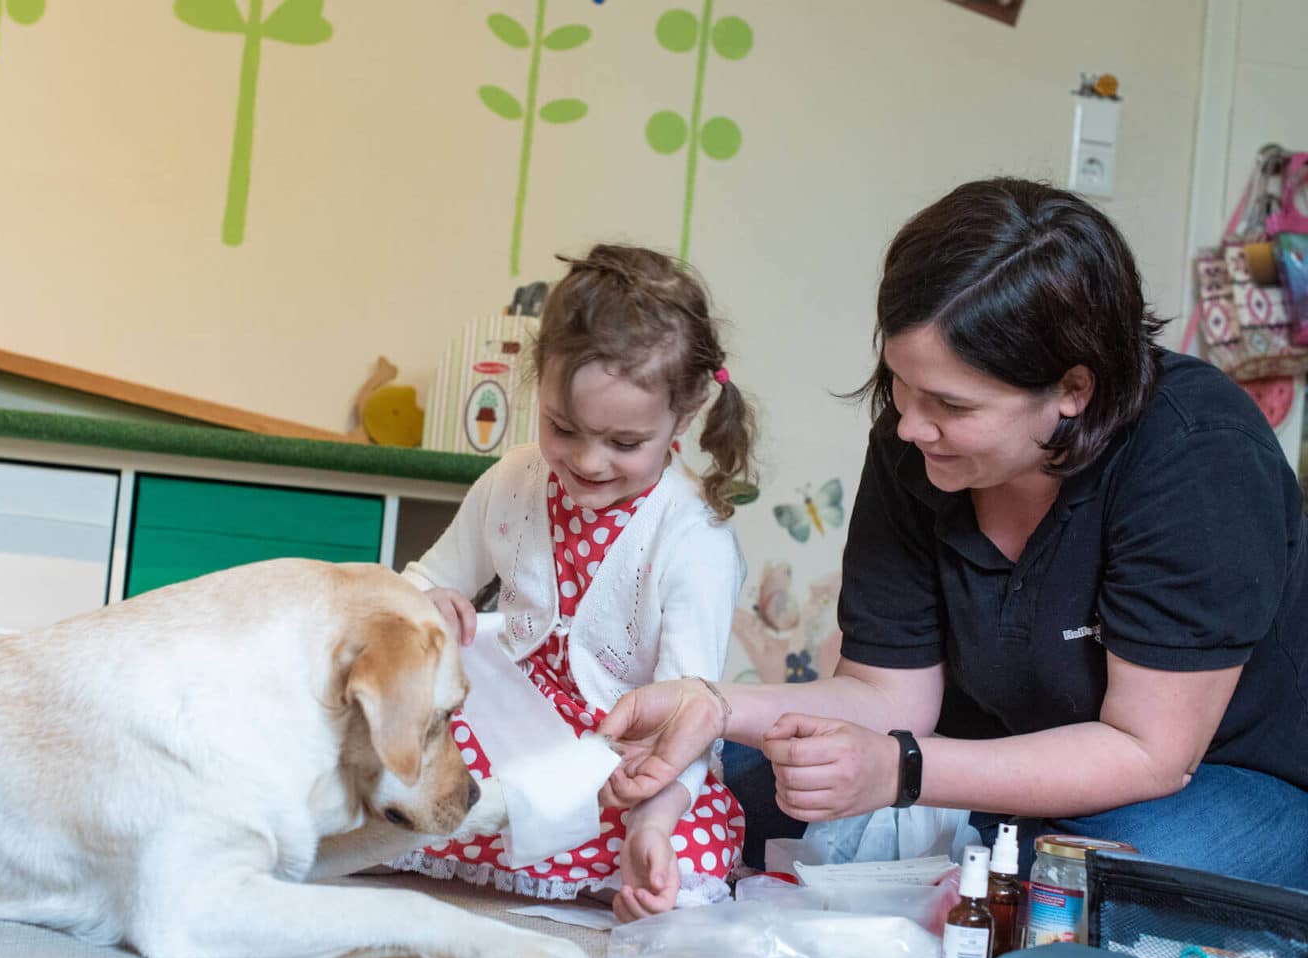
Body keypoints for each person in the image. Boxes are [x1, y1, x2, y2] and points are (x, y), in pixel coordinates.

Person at [598, 178, 1308, 890]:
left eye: (950, 403)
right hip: (968, 759)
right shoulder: (917, 445)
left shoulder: (1198, 456)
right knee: (733, 800)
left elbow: (1151, 752)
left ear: (1073, 390)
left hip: (1216, 782)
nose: (910, 425)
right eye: (901, 385)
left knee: (1072, 885)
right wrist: (713, 706)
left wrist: (903, 769)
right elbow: (890, 700)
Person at [396, 243, 757, 920]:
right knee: (403, 740)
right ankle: (486, 829)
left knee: (681, 842)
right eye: (563, 428)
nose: (588, 461)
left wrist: (651, 824)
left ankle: (559, 842)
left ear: (684, 416)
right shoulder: (513, 479)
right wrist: (429, 606)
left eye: (624, 443)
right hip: (511, 726)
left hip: (616, 760)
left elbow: (685, 722)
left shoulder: (692, 535)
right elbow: (422, 582)